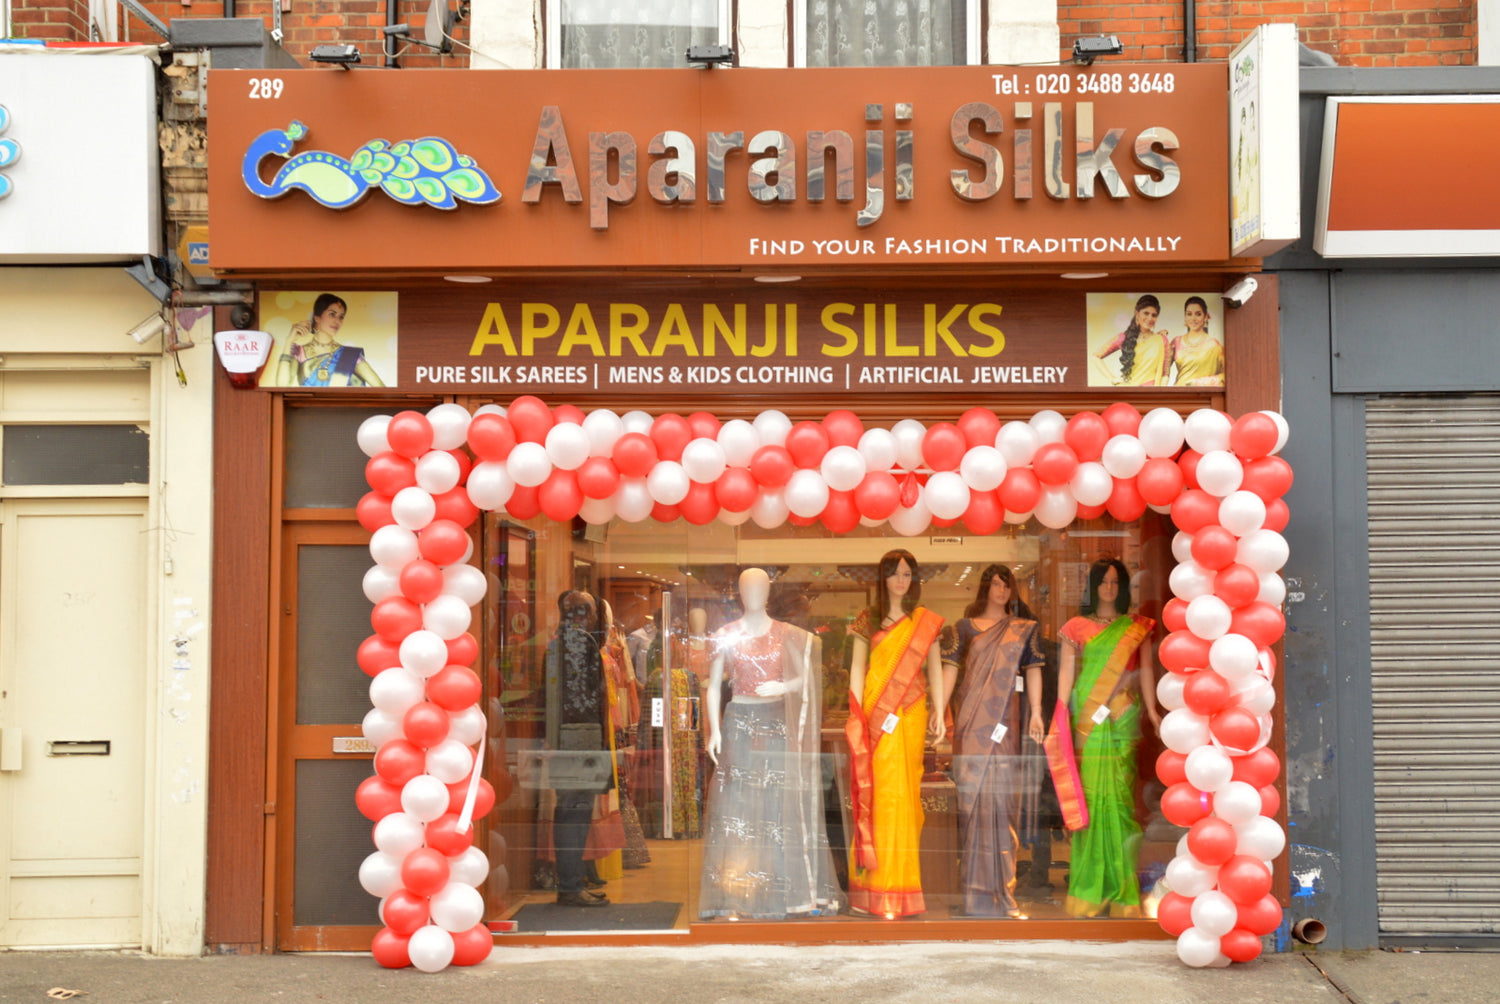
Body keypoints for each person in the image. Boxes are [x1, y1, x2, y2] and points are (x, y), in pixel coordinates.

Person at [699, 569, 843, 920]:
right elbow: (713, 686)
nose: (753, 592)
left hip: (777, 722)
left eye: (760, 586)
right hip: (739, 721)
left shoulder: (787, 634)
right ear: (738, 592)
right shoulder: (725, 635)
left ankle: (784, 891)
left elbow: (805, 677)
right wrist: (714, 731)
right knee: (739, 805)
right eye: (747, 587)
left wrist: (784, 686)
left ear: (768, 592)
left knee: (779, 804)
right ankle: (740, 892)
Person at [845, 549, 946, 917]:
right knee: (879, 796)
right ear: (883, 578)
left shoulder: (924, 622)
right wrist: (857, 716)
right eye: (895, 573)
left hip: (912, 714)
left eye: (907, 574)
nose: (901, 581)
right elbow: (857, 671)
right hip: (876, 716)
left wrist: (940, 710)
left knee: (905, 798)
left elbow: (935, 669)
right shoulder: (867, 620)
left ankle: (902, 888)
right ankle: (872, 889)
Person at [1057, 558, 1161, 918]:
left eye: (1116, 582)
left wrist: (1152, 711)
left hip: (1122, 718)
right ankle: (1089, 890)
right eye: (1103, 582)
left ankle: (1121, 891)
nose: (1109, 588)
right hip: (1087, 721)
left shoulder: (1135, 627)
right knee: (1090, 801)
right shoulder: (1075, 627)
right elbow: (1067, 673)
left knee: (1119, 801)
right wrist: (1059, 712)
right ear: (1093, 586)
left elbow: (1145, 671)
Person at [941, 564, 1045, 918]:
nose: (1001, 591)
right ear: (985, 588)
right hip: (972, 724)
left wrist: (1036, 713)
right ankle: (975, 894)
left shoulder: (1023, 629)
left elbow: (1033, 670)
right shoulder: (963, 628)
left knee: (1002, 801)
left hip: (1006, 722)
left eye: (1006, 585)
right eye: (996, 584)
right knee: (973, 802)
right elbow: (951, 671)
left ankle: (1003, 890)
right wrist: (938, 709)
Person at [543, 590, 613, 907]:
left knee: (571, 812)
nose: (595, 617)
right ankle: (571, 887)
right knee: (574, 813)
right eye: (590, 611)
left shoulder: (561, 642)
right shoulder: (577, 642)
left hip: (569, 739)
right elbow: (582, 698)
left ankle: (571, 883)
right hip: (578, 740)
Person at [274, 293, 386, 387]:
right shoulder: (298, 351)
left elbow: (380, 387)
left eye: (341, 317)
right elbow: (282, 385)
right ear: (317, 318)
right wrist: (289, 341)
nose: (337, 321)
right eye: (332, 314)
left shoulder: (349, 355)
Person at [1095, 294, 1169, 387]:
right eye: (1146, 313)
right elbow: (1096, 356)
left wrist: (1159, 393)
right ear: (1137, 313)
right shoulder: (1124, 337)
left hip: (1152, 392)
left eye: (1154, 315)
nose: (1150, 318)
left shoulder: (1161, 340)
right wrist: (1112, 378)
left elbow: (1165, 373)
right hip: (1128, 391)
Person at [1167, 296, 1225, 387]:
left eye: (1198, 314)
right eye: (1189, 314)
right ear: (1185, 317)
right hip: (1179, 392)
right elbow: (1162, 370)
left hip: (1203, 394)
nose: (1193, 318)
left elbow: (1228, 375)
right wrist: (1160, 341)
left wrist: (1200, 382)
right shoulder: (1176, 342)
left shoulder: (1214, 345)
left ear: (1205, 317)